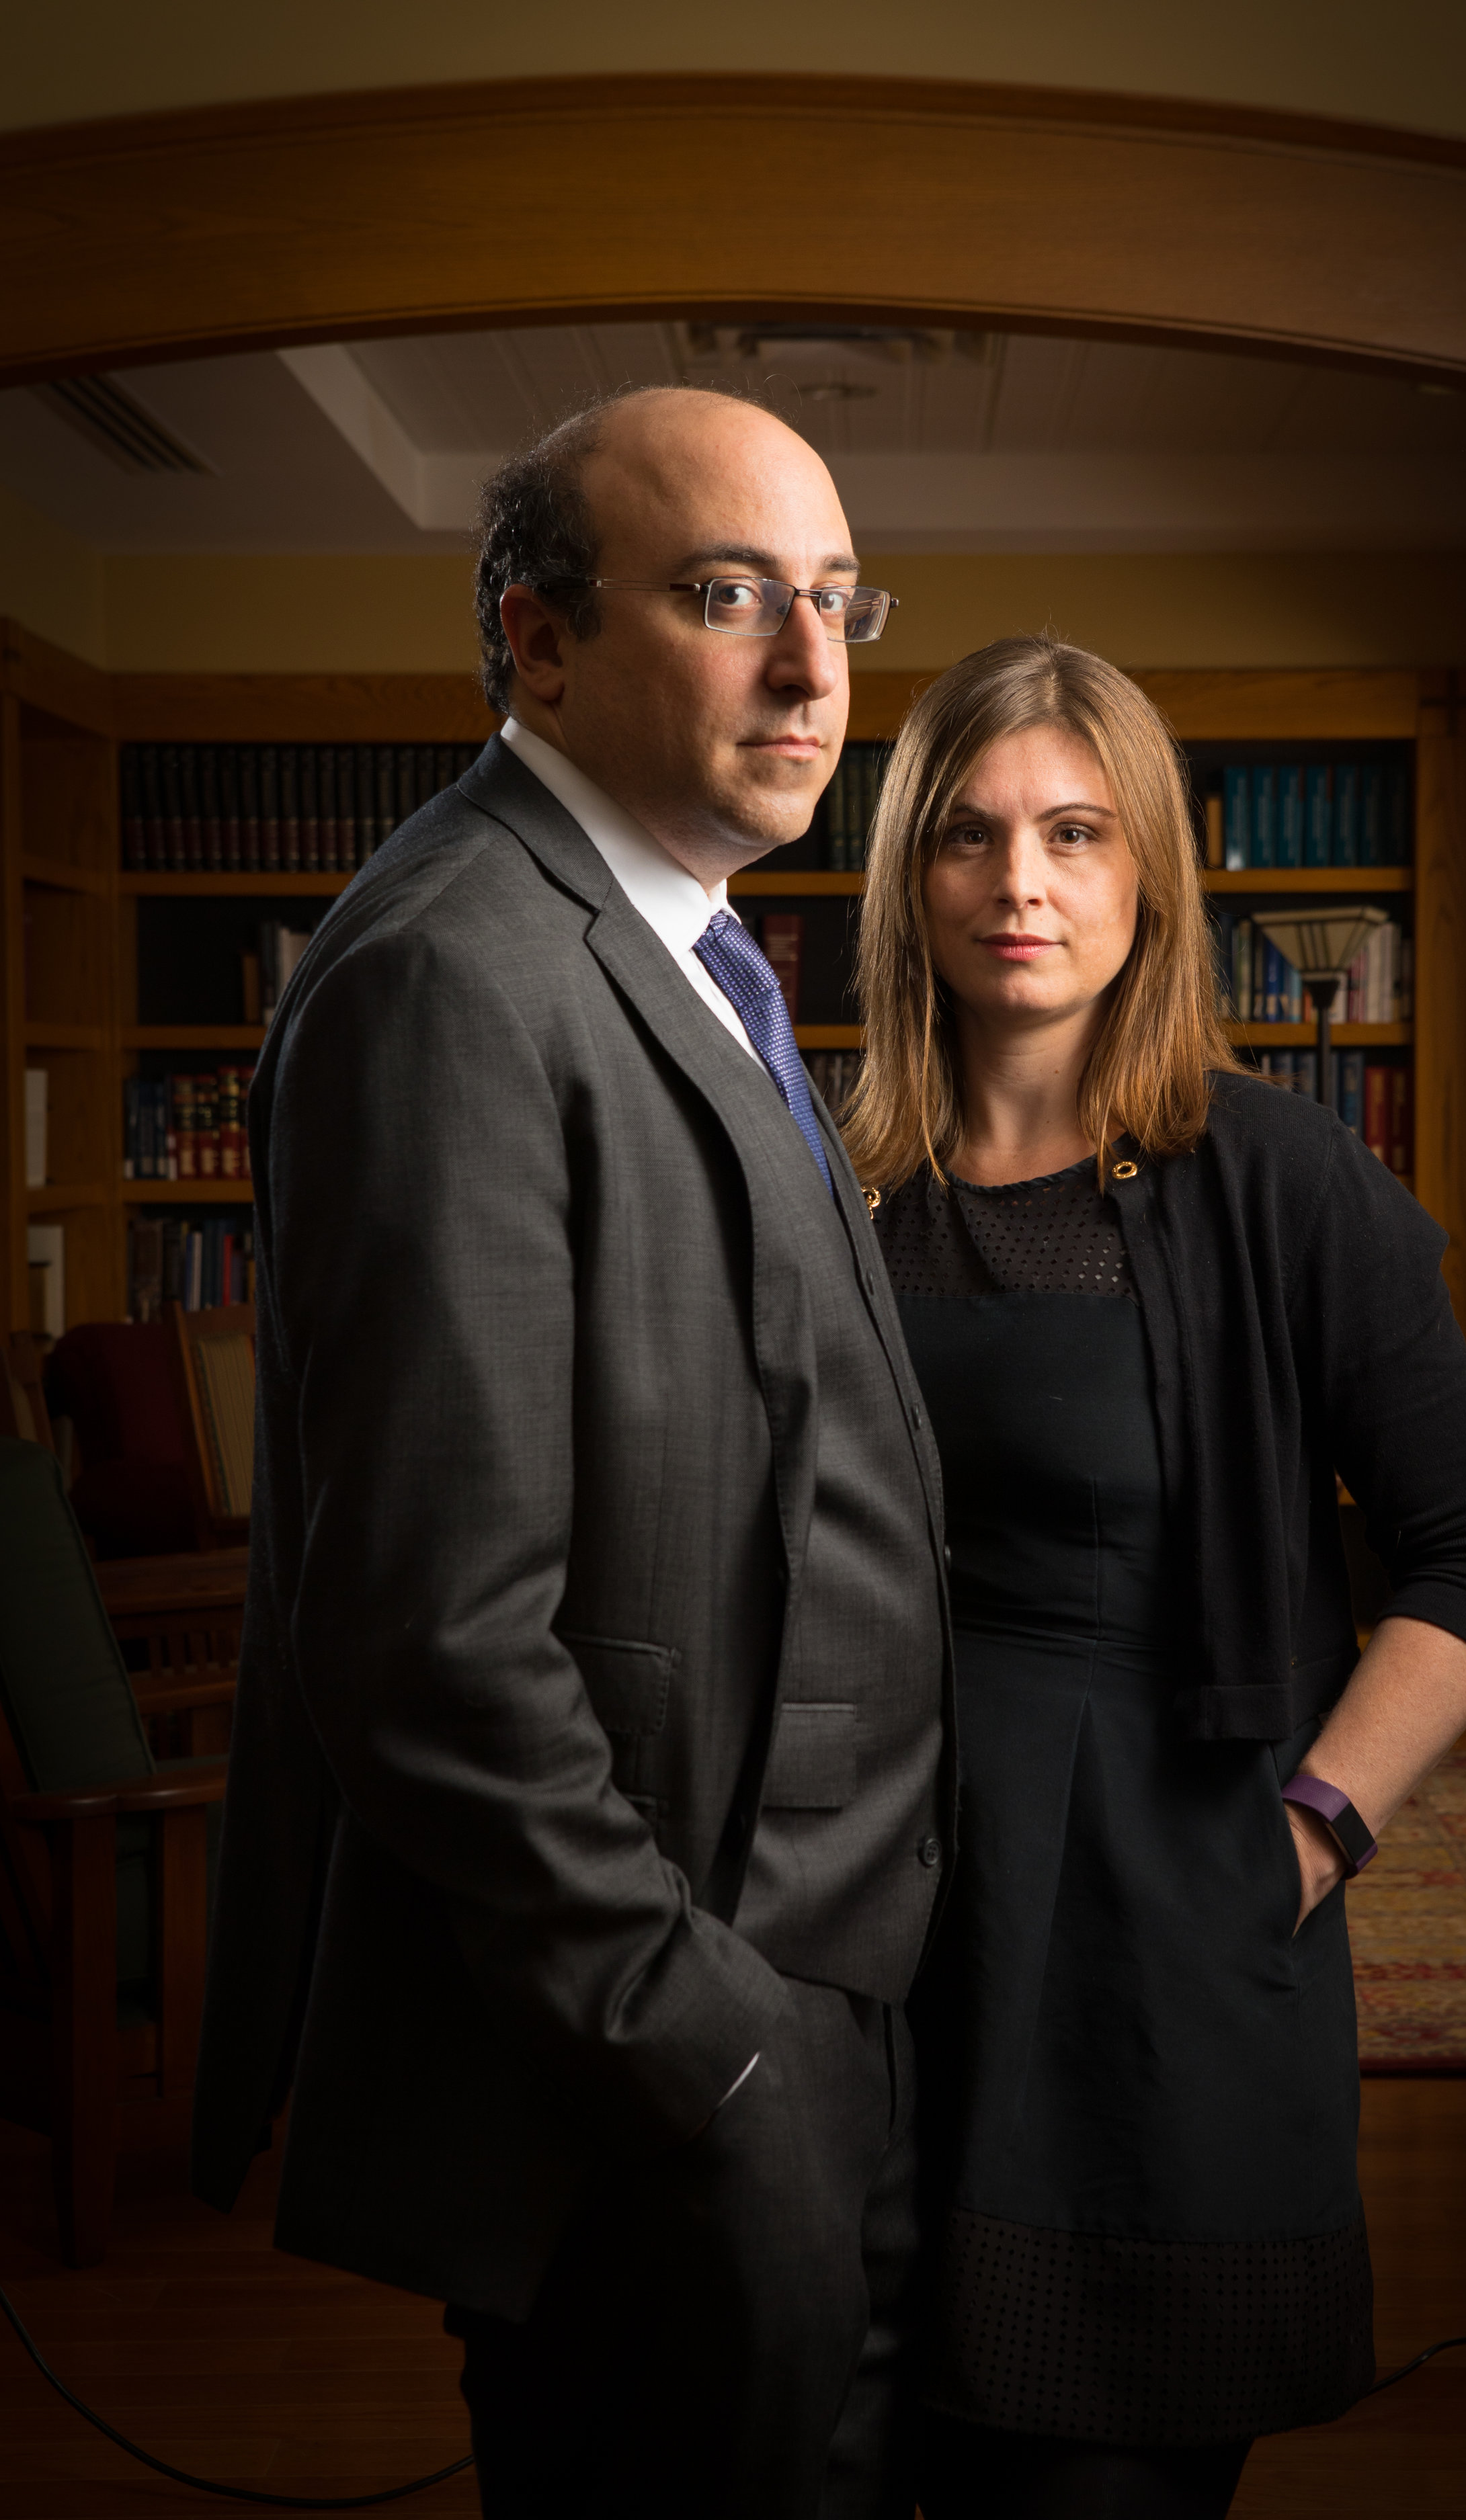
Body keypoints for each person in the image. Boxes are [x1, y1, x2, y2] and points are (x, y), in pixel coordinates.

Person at [191, 386, 954, 2519]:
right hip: (672, 2038)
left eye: (834, 599)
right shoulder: (457, 968)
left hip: (806, 1975)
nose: (814, 669)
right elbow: (433, 1639)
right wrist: (709, 2042)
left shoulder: (692, 942)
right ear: (534, 639)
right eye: (730, 599)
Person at [844, 638, 1466, 2520]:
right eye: (972, 837)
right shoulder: (824, 1181)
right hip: (872, 1952)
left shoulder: (1282, 1180)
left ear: (1148, 871)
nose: (1022, 884)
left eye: (1076, 833)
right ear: (908, 874)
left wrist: (1311, 1827)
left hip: (1165, 1947)